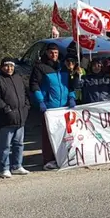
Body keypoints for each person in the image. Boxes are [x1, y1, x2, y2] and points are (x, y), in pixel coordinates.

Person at [29, 43, 77, 171]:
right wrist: (40, 100)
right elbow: (34, 85)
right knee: (48, 135)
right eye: (51, 53)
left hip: (64, 107)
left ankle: (62, 158)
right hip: (49, 107)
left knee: (63, 134)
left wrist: (72, 97)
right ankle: (48, 160)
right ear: (46, 53)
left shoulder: (63, 67)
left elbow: (69, 85)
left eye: (56, 53)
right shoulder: (40, 68)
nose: (53, 55)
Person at [0, 58, 30, 178]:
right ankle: (4, 168)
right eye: (6, 66)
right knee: (5, 146)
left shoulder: (18, 78)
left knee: (19, 144)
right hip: (5, 119)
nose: (9, 68)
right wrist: (6, 110)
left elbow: (25, 94)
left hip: (20, 117)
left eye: (11, 66)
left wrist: (26, 107)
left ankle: (17, 165)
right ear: (1, 67)